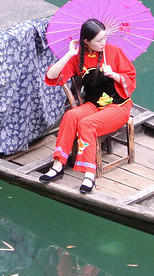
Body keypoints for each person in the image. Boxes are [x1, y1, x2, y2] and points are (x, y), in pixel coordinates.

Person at [40, 18, 136, 194]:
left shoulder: (114, 52)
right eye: (99, 40)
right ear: (86, 41)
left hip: (118, 106)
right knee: (70, 115)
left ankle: (89, 175)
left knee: (87, 124)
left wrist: (114, 74)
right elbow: (52, 77)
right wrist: (69, 54)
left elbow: (131, 80)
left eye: (105, 38)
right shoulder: (78, 58)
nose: (103, 43)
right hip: (94, 104)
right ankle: (58, 165)